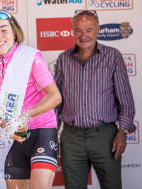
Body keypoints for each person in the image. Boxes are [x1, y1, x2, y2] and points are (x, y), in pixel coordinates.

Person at [54, 10, 136, 189]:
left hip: (106, 137)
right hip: (71, 139)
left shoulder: (113, 56)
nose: (84, 36)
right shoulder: (63, 59)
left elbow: (126, 101)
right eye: (79, 30)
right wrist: (51, 132)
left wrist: (122, 132)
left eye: (89, 30)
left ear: (98, 30)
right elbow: (56, 101)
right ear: (73, 31)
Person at [0, 11, 62, 189]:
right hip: (15, 138)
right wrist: (7, 125)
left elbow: (55, 96)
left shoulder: (30, 57)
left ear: (14, 32)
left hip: (42, 132)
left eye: (3, 30)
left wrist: (24, 117)